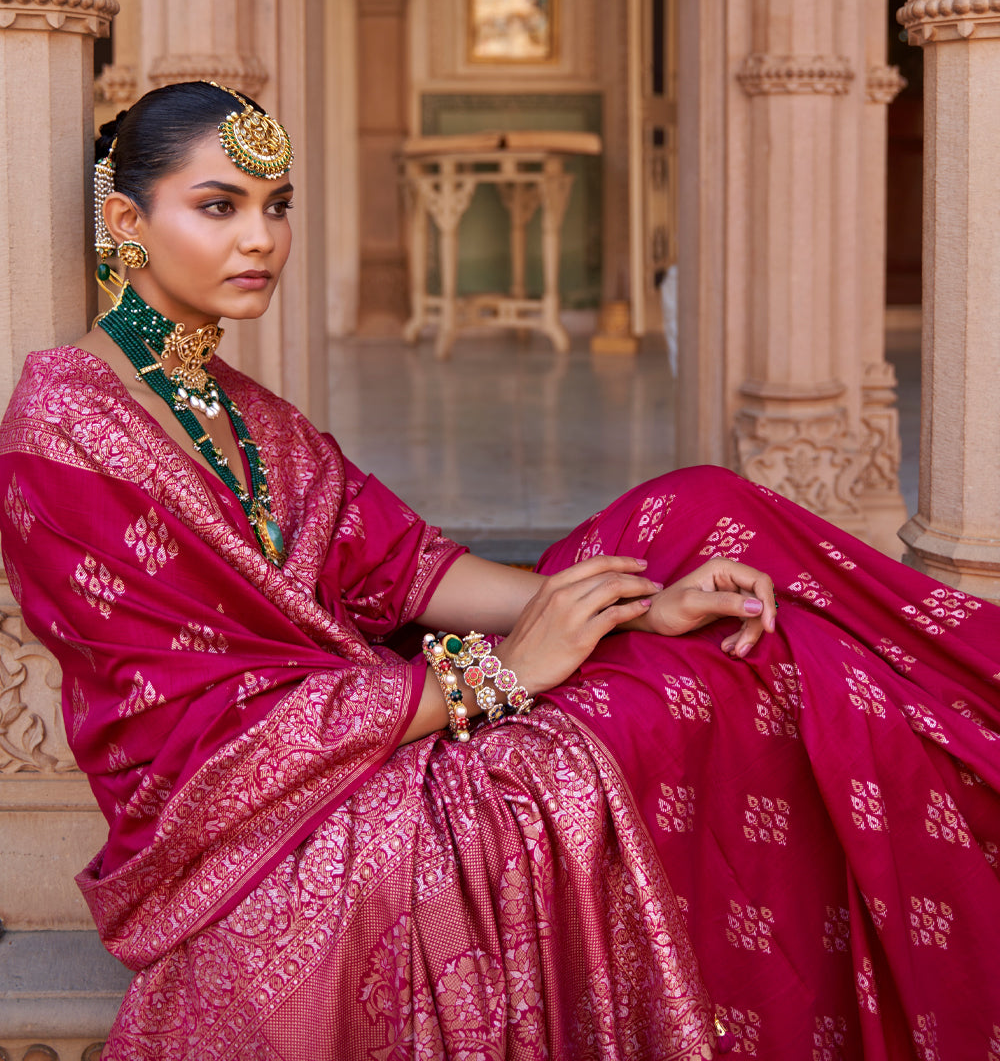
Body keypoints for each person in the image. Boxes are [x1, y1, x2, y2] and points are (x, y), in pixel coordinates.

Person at [0, 82, 997, 1061]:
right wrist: (498, 674)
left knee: (706, 518)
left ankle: (953, 722)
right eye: (219, 206)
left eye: (276, 206)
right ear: (127, 218)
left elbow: (400, 563)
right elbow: (198, 731)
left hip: (381, 702)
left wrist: (639, 606)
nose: (260, 239)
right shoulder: (64, 436)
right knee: (679, 699)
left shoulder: (236, 406)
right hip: (286, 807)